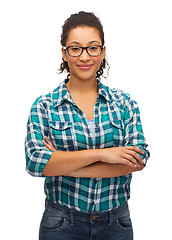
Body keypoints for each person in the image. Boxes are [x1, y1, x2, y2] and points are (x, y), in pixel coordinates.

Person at [25, 11, 150, 240]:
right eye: (76, 48)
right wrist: (106, 154)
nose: (85, 57)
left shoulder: (124, 103)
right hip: (61, 224)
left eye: (93, 47)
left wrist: (62, 163)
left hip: (116, 225)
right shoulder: (44, 106)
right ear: (64, 53)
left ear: (102, 51)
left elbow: (138, 159)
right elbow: (35, 163)